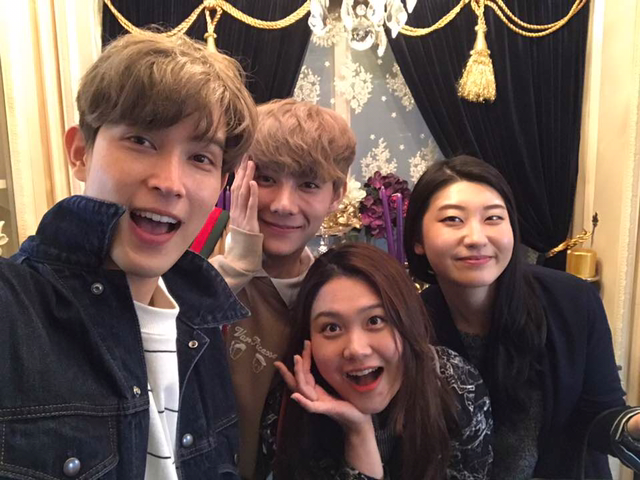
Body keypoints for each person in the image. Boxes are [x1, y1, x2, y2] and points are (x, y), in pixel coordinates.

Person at [0, 32, 257, 479]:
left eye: (200, 158)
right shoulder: (13, 312)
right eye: (141, 140)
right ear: (81, 153)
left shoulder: (201, 324)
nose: (170, 183)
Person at [404, 155, 640, 479]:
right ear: (418, 240)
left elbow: (600, 413)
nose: (476, 238)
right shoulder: (410, 326)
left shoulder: (572, 302)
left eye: (493, 218)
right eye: (453, 220)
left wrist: (633, 424)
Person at [209, 98, 357, 479]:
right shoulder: (192, 267)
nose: (283, 205)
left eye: (308, 184)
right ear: (238, 177)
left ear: (336, 194)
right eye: (267, 179)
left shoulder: (331, 294)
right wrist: (238, 265)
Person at [269, 243, 493, 479]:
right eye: (332, 327)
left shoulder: (457, 386)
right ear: (309, 340)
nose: (356, 350)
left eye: (375, 321)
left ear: (408, 322)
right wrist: (359, 433)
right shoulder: (290, 407)